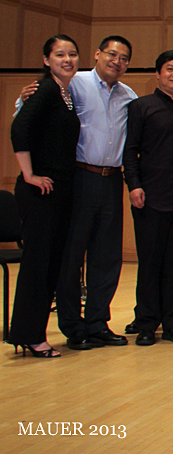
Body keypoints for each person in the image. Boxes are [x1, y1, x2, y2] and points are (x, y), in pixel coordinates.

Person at [55, 35, 137, 350]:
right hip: (79, 177)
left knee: (107, 256)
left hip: (112, 180)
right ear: (98, 54)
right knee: (72, 255)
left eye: (124, 58)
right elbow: (31, 108)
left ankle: (98, 322)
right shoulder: (74, 84)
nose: (117, 61)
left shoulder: (128, 97)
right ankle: (73, 327)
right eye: (112, 54)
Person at [8, 35, 80, 357]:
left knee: (50, 264)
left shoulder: (65, 93)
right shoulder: (45, 89)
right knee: (38, 265)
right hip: (40, 191)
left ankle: (33, 333)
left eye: (72, 54)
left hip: (59, 190)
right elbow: (18, 129)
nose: (67, 59)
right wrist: (28, 174)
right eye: (60, 54)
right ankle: (29, 335)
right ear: (46, 59)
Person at [123, 50, 173, 346]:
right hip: (149, 196)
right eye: (170, 69)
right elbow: (130, 150)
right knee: (151, 263)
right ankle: (147, 322)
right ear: (157, 73)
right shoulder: (141, 107)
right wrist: (134, 185)